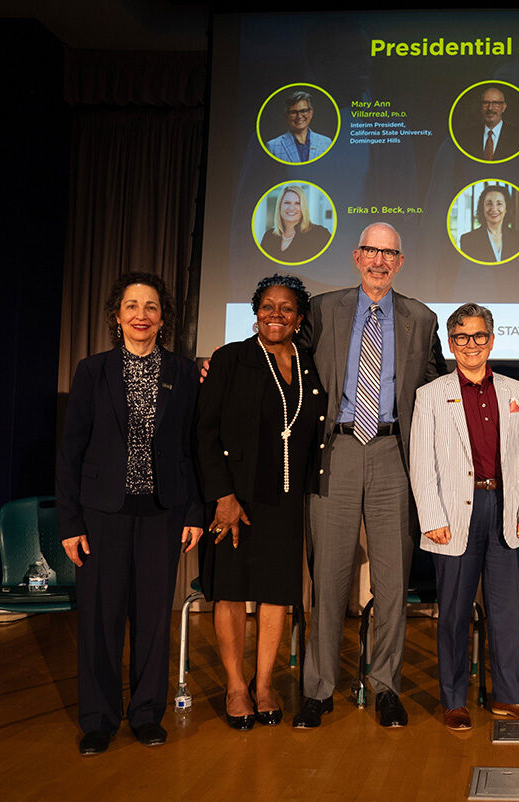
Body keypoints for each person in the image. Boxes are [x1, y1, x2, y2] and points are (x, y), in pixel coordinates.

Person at [293, 222, 448, 729]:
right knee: (330, 578)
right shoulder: (322, 309)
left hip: (391, 455)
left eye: (390, 253)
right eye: (371, 251)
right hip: (335, 451)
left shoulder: (421, 319)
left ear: (400, 262)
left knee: (391, 579)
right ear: (356, 256)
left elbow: (437, 391)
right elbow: (286, 364)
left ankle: (385, 686)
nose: (380, 260)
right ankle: (317, 690)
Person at [56, 272, 204, 756]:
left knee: (153, 619)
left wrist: (195, 511)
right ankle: (98, 719)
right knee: (100, 619)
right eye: (132, 306)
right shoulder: (91, 370)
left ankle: (145, 715)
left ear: (163, 319)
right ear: (117, 316)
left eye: (152, 307)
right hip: (102, 515)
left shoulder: (183, 373)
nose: (142, 315)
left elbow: (193, 448)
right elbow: (70, 453)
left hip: (163, 513)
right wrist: (71, 523)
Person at [195, 274, 326, 730]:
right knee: (230, 590)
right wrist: (223, 496)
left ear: (300, 317)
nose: (276, 314)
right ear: (255, 312)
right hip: (236, 497)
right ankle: (235, 686)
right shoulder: (230, 359)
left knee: (276, 593)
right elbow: (204, 433)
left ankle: (265, 682)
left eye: (286, 308)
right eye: (267, 306)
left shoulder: (310, 364)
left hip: (285, 500)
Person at [410, 303, 519, 730]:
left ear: (492, 338)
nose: (471, 345)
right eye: (462, 337)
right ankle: (454, 700)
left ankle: (510, 697)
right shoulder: (430, 395)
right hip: (452, 515)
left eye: (479, 335)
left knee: (507, 613)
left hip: (505, 510)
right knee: (453, 613)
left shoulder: (517, 392)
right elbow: (421, 462)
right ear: (451, 344)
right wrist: (431, 516)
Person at [259, 185, 331, 264]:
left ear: (303, 207)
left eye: (297, 203)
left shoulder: (320, 234)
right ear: (280, 206)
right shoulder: (269, 236)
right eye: (287, 203)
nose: (291, 208)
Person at [458, 184, 519, 263]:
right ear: (482, 208)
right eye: (489, 204)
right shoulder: (468, 240)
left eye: (499, 204)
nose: (494, 209)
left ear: (506, 208)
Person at [456, 85, 519, 161]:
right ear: (481, 107)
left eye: (496, 103)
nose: (490, 108)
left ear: (503, 107)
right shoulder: (465, 136)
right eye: (486, 103)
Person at [266, 89, 333, 163]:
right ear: (286, 115)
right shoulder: (272, 146)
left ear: (310, 113)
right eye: (293, 112)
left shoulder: (326, 143)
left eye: (303, 111)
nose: (299, 116)